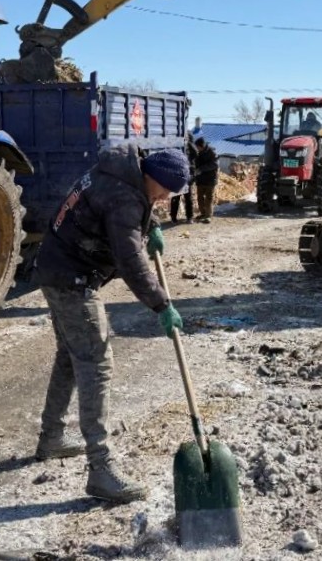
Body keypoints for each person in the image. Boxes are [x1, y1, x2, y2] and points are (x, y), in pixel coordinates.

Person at [33, 145, 190, 503]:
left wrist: (152, 224)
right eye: (165, 190)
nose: (165, 198)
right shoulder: (124, 198)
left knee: (70, 357)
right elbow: (131, 262)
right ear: (151, 177)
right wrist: (162, 305)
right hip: (71, 278)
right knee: (96, 363)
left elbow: (120, 217)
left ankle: (52, 437)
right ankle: (101, 471)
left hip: (54, 266)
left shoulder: (118, 175)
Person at [169, 134, 196, 224]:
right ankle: (173, 217)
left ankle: (189, 217)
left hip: (187, 175)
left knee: (188, 198)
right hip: (177, 175)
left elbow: (196, 152)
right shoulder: (175, 147)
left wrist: (189, 143)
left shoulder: (190, 149)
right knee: (175, 197)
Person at [193, 137, 219, 223]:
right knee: (200, 198)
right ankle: (203, 213)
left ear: (202, 146)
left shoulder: (212, 152)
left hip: (210, 179)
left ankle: (208, 216)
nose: (197, 148)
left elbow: (214, 164)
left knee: (209, 198)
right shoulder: (198, 153)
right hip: (200, 179)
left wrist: (201, 169)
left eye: (198, 147)